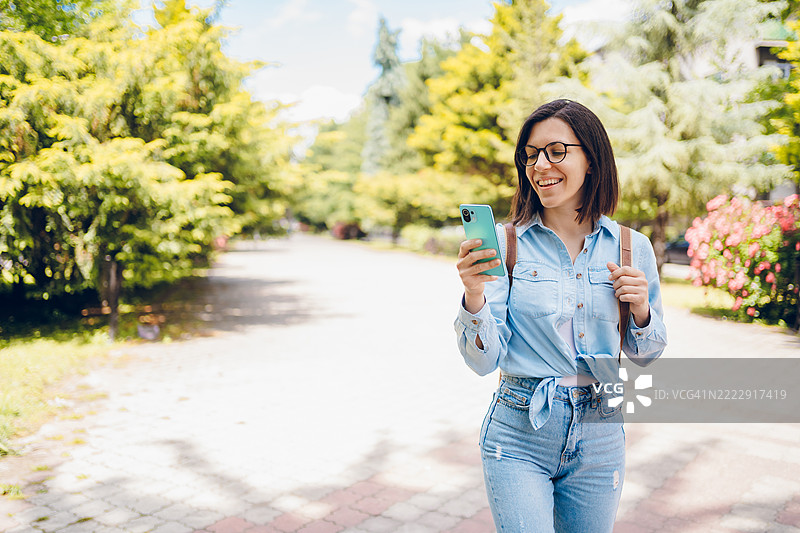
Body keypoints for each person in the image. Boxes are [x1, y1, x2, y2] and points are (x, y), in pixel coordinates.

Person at [454, 99, 667, 532]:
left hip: (601, 427)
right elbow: (482, 362)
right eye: (530, 155)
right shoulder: (506, 242)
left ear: (591, 158)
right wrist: (473, 296)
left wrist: (641, 310)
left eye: (556, 151)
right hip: (519, 428)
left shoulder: (631, 246)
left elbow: (647, 355)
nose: (539, 165)